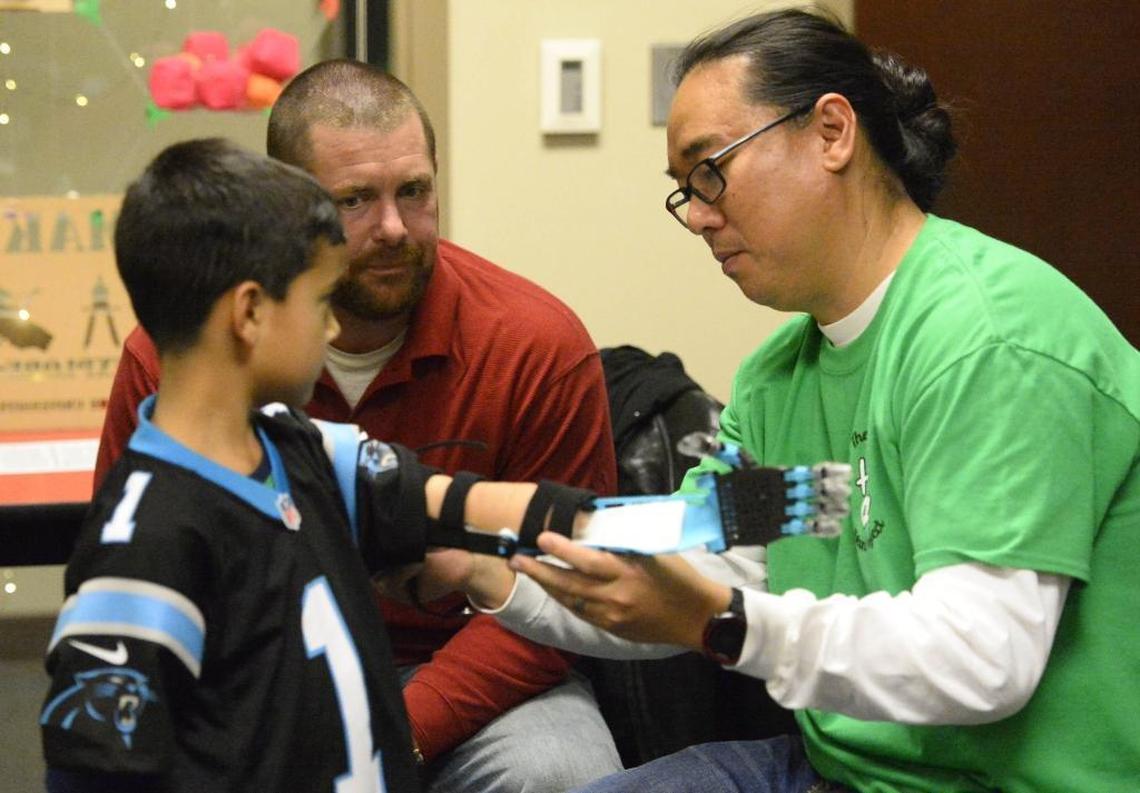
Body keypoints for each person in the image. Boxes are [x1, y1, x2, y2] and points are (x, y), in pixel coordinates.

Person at [415, 8, 1140, 793]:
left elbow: (982, 659)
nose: (696, 214)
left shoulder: (989, 341)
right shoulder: (779, 376)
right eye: (683, 191)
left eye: (710, 170)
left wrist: (727, 622)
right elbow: (696, 554)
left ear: (832, 131)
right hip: (844, 769)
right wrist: (485, 565)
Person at [93, 62, 622, 790]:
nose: (395, 228)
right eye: (355, 201)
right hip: (252, 686)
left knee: (561, 768)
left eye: (414, 190)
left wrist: (392, 731)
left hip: (470, 673)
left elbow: (526, 542)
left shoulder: (530, 344)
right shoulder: (184, 374)